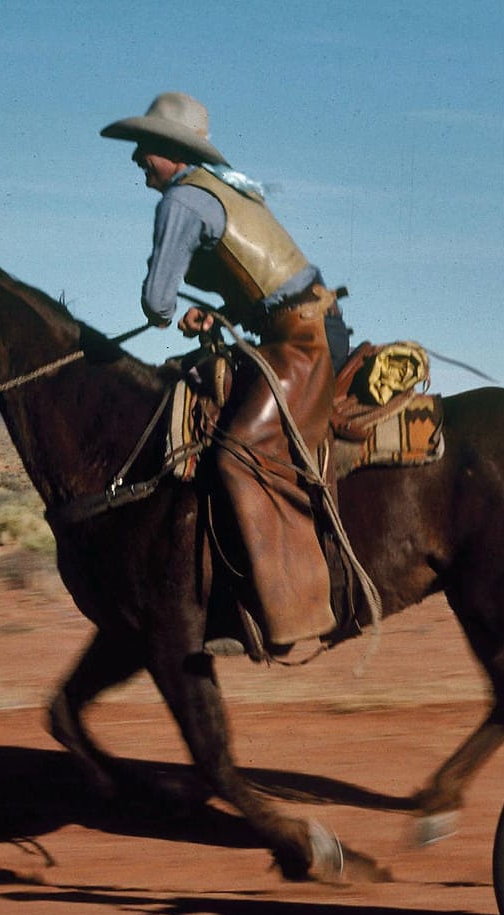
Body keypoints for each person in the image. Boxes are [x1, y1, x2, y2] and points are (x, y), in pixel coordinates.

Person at [101, 92, 350, 650]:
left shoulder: (183, 202)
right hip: (300, 325)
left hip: (302, 339)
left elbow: (157, 301)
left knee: (241, 452)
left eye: (144, 147)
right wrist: (216, 313)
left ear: (168, 150)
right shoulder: (223, 189)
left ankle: (293, 610)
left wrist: (172, 311)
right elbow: (262, 284)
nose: (137, 158)